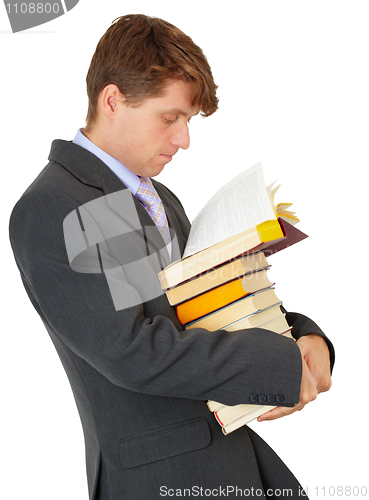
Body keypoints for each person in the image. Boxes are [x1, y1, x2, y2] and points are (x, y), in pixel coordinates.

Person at [9, 14, 334, 500]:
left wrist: (303, 335)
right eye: (170, 117)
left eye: (187, 120)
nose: (184, 139)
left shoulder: (154, 197)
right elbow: (133, 349)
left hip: (228, 462)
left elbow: (200, 310)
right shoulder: (60, 204)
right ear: (113, 99)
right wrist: (277, 367)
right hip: (162, 480)